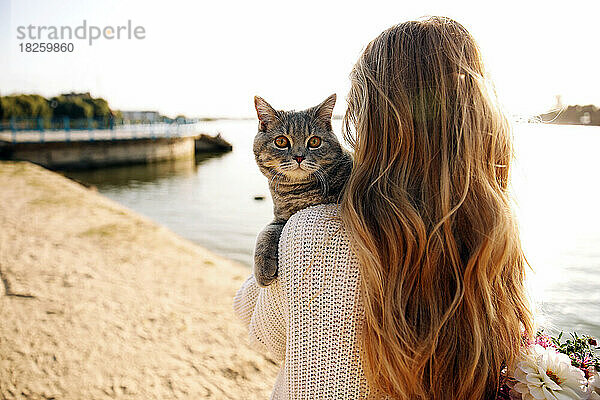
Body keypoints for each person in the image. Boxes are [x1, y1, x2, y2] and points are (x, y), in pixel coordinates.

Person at [234, 16, 533, 400]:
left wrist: (279, 237)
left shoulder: (315, 233)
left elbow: (264, 332)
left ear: (367, 123)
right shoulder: (495, 240)